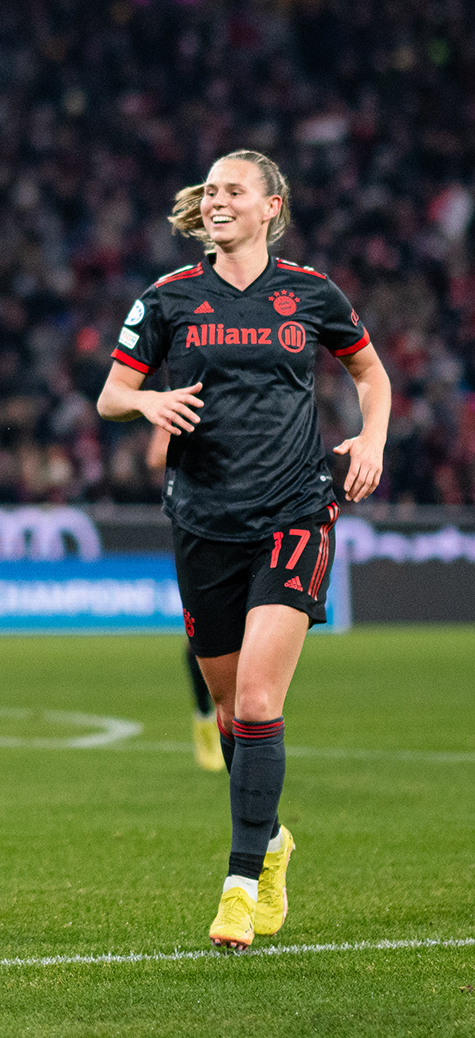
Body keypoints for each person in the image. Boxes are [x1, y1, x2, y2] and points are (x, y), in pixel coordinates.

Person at [97, 149, 388, 950]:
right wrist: (149, 397)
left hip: (296, 511)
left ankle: (239, 883)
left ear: (270, 207)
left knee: (259, 703)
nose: (218, 201)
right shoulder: (167, 300)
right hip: (202, 523)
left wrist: (374, 439)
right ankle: (274, 840)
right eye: (212, 191)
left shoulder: (310, 293)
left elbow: (371, 374)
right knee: (229, 712)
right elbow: (112, 393)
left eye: (234, 191)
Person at [148, 426, 225, 772]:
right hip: (203, 525)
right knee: (201, 634)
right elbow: (154, 457)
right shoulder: (186, 395)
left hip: (257, 520)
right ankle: (205, 715)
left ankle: (239, 727)